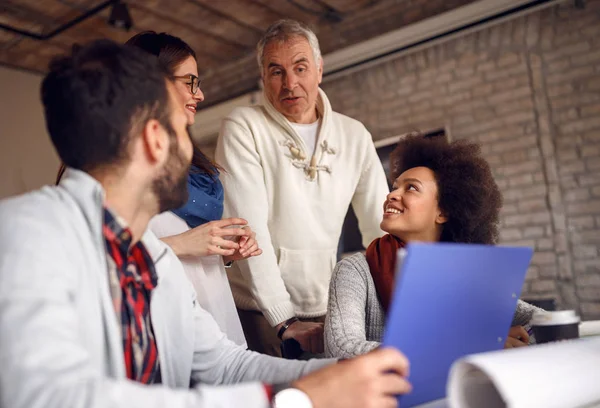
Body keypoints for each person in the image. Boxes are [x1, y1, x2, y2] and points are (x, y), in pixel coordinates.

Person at [0, 39, 413, 408]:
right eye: (183, 127)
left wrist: (345, 372)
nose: (195, 154)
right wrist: (298, 399)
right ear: (155, 140)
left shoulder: (154, 260)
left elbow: (225, 365)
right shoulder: (26, 233)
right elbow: (48, 397)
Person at [215, 19, 389, 357]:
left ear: (319, 69)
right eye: (276, 71)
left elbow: (381, 231)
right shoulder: (243, 127)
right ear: (263, 78)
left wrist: (398, 300)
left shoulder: (355, 136)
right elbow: (248, 231)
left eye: (300, 67)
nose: (290, 83)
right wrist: (283, 320)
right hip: (260, 311)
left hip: (330, 303)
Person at [324, 134, 542, 359]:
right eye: (394, 187)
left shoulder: (461, 275)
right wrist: (471, 345)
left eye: (411, 188)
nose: (391, 195)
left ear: (443, 212)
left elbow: (542, 321)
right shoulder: (354, 271)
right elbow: (342, 348)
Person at [126, 31, 259, 346]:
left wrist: (226, 249)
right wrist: (184, 244)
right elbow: (107, 265)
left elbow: (199, 253)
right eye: (190, 82)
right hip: (164, 335)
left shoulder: (195, 168)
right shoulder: (115, 171)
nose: (199, 94)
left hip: (218, 323)